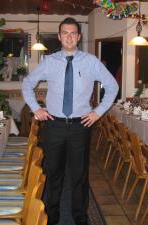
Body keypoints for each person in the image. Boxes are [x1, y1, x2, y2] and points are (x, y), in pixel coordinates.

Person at [21, 17, 118, 225]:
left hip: (80, 126)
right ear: (59, 36)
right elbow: (27, 83)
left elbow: (112, 86)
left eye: (73, 33)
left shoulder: (91, 61)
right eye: (65, 33)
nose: (69, 37)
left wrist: (98, 112)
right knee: (52, 175)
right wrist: (35, 108)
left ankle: (80, 218)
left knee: (79, 177)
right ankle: (51, 216)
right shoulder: (49, 61)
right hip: (54, 125)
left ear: (79, 37)